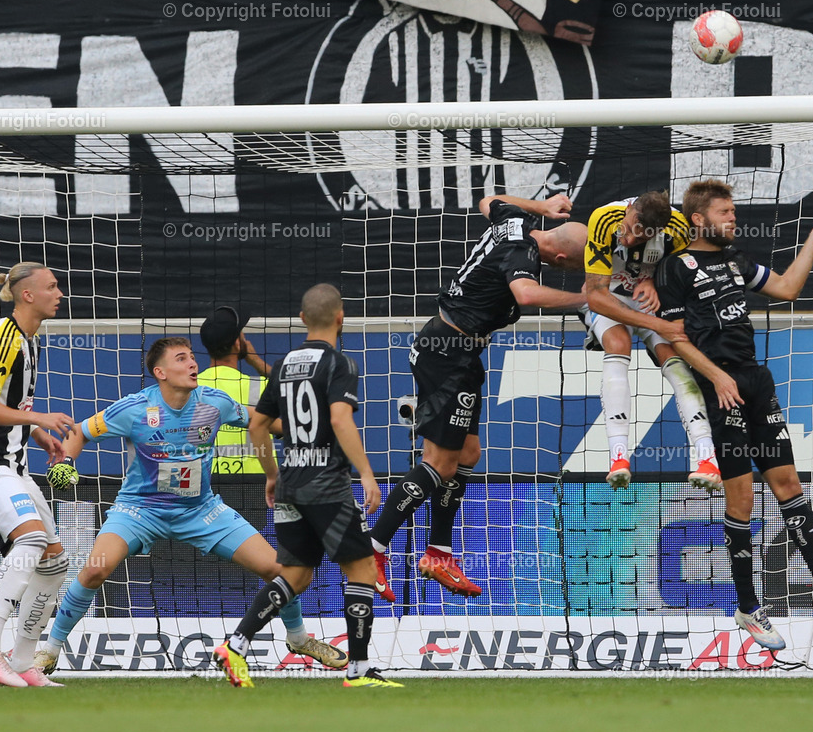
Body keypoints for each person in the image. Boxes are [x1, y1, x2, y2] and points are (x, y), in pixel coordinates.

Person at [33, 337, 348, 675]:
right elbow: (79, 432)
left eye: (192, 358)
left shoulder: (214, 403)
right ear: (161, 372)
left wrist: (310, 429)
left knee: (279, 570)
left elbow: (260, 420)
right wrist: (63, 462)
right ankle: (49, 649)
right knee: (95, 569)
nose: (192, 364)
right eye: (181, 359)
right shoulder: (134, 408)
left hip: (202, 511)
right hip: (139, 510)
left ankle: (299, 639)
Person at [655, 178, 813, 650]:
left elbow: (788, 288)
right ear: (698, 219)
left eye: (733, 212)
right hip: (721, 387)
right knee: (742, 502)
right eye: (725, 212)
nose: (733, 219)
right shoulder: (674, 268)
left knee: (789, 485)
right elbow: (672, 338)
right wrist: (717, 377)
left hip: (753, 381)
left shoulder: (736, 260)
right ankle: (749, 608)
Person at [369, 193, 589, 602]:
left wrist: (543, 207)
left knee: (467, 453)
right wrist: (585, 299)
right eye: (574, 267)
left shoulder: (519, 222)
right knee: (440, 462)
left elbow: (490, 199)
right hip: (447, 354)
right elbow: (526, 294)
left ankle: (439, 552)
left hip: (458, 353)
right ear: (558, 259)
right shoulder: (523, 253)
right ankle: (373, 549)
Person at [213, 284, 401, 688]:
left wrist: (271, 474)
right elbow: (339, 419)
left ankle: (237, 644)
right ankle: (359, 670)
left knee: (295, 575)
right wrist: (366, 473)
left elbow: (258, 425)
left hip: (291, 483)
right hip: (327, 486)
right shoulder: (339, 364)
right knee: (363, 570)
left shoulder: (282, 366)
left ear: (301, 320)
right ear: (340, 317)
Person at [0, 262, 74, 687]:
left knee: (54, 561)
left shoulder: (29, 341)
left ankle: (23, 660)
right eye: (52, 286)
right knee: (31, 538)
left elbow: (14, 408)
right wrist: (42, 417)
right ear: (28, 295)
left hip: (13, 464)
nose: (60, 293)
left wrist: (38, 433)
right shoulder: (4, 339)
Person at [582, 191, 721, 491]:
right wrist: (656, 323)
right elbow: (594, 296)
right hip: (611, 297)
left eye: (642, 236)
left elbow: (681, 271)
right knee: (618, 344)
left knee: (677, 364)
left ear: (658, 231)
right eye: (631, 228)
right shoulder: (604, 217)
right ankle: (618, 458)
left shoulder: (679, 229)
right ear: (629, 208)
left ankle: (708, 460)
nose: (630, 238)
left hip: (649, 300)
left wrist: (654, 278)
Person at [198, 305, 277, 530]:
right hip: (254, 490)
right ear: (237, 343)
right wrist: (256, 362)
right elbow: (296, 397)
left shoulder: (191, 388)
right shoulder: (259, 386)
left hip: (203, 488)